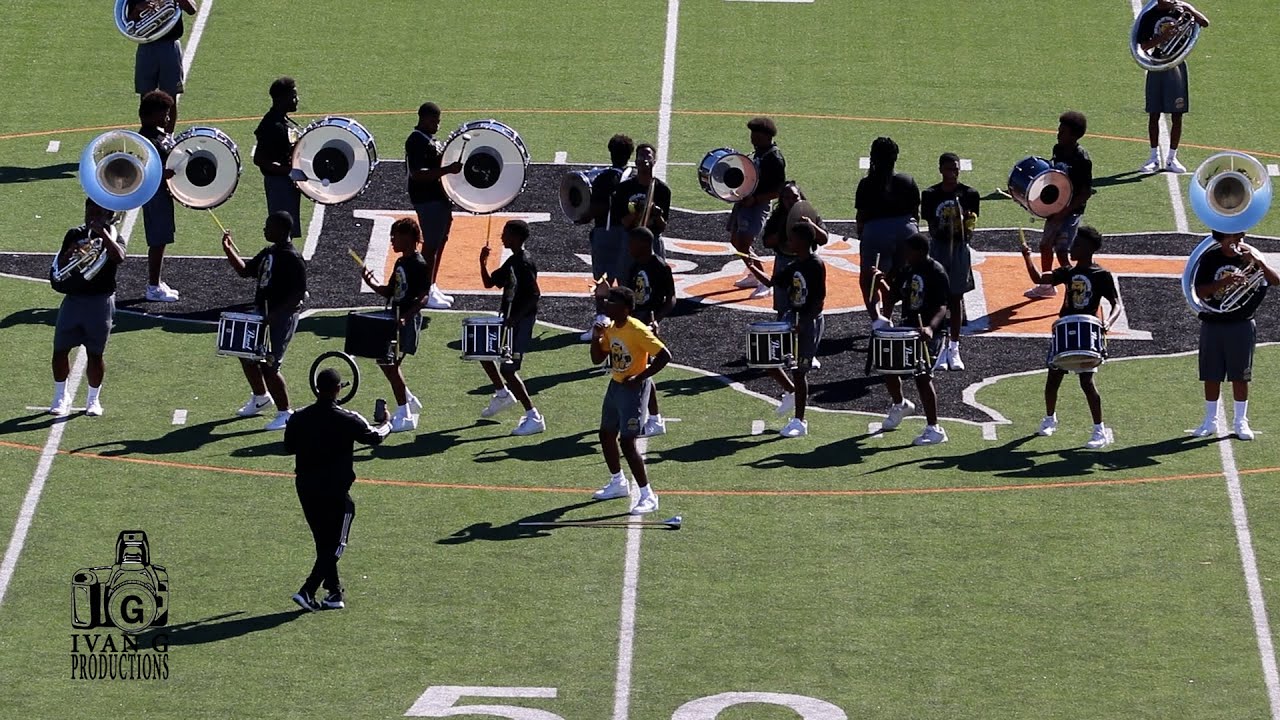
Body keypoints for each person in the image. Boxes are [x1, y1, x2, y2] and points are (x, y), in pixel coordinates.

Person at [283, 368, 391, 611]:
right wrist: (387, 422)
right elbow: (375, 437)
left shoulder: (299, 417)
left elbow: (288, 447)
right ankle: (308, 590)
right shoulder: (347, 418)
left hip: (306, 487)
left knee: (323, 541)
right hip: (334, 490)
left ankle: (334, 592)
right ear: (338, 389)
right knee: (336, 544)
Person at [1020, 225, 1122, 449]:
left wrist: (1107, 323)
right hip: (1066, 328)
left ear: (1088, 248)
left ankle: (1099, 430)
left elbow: (1117, 304)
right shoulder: (1068, 271)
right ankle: (1050, 419)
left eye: (1077, 244)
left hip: (1086, 331)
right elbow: (1039, 279)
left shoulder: (1101, 274)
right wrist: (1027, 257)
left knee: (1087, 382)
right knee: (1053, 377)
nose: (1072, 247)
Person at [221, 211, 308, 430]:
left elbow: (299, 294)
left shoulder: (292, 258)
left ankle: (285, 411)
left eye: (269, 226)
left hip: (281, 317)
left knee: (270, 365)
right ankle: (260, 396)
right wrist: (228, 250)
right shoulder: (270, 252)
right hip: (264, 313)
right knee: (246, 353)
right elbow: (245, 271)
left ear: (281, 229)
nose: (264, 229)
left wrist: (275, 315)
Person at [1190, 230, 1279, 440]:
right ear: (1223, 238)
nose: (1239, 241)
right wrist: (1226, 282)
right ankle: (1210, 421)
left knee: (1240, 376)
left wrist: (1259, 263)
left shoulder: (1251, 256)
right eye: (1234, 237)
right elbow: (1200, 291)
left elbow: (1275, 280)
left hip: (1242, 323)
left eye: (1240, 236)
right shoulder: (1211, 258)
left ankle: (1241, 422)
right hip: (1213, 321)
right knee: (1211, 374)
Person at [590, 287, 672, 514]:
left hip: (633, 390)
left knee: (627, 442)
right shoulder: (611, 329)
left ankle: (648, 495)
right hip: (616, 385)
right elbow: (597, 359)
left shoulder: (636, 329)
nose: (607, 303)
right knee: (606, 433)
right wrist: (596, 338)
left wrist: (640, 377)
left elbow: (664, 355)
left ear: (625, 307)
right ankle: (618, 482)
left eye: (612, 301)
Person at [745, 223, 826, 438]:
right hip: (793, 318)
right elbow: (774, 283)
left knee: (800, 372)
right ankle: (791, 391)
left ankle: (800, 421)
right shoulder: (793, 265)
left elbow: (818, 299)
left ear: (803, 241)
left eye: (792, 238)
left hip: (808, 322)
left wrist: (804, 322)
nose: (788, 242)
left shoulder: (816, 264)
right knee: (768, 359)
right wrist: (752, 267)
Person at [867, 232, 950, 446]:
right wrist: (880, 282)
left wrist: (931, 328)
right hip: (907, 328)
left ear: (920, 251)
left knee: (922, 377)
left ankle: (934, 428)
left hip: (929, 331)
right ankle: (900, 403)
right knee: (888, 366)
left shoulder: (936, 271)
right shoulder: (908, 269)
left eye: (909, 251)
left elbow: (943, 305)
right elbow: (894, 295)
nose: (905, 255)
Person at [49, 199, 126, 418]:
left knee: (95, 354)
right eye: (89, 209)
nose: (91, 214)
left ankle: (93, 399)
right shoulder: (74, 234)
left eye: (97, 211)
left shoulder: (113, 235)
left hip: (100, 302)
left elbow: (119, 257)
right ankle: (60, 396)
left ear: (106, 214)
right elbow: (61, 266)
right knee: (60, 350)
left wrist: (103, 234)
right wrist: (69, 253)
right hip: (74, 299)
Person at [359, 217, 430, 433]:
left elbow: (424, 297)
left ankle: (405, 413)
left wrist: (406, 317)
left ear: (409, 237)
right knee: (385, 362)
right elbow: (390, 291)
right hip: (394, 317)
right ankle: (408, 399)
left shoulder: (418, 264)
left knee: (390, 364)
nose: (392, 241)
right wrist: (370, 281)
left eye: (395, 236)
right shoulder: (400, 262)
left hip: (404, 320)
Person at [478, 219, 545, 436]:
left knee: (508, 369)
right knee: (483, 351)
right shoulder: (512, 261)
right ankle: (501, 393)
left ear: (516, 236)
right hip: (509, 319)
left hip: (519, 322)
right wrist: (483, 263)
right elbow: (490, 283)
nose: (502, 237)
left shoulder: (524, 262)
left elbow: (535, 294)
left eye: (505, 233)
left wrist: (515, 318)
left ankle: (534, 416)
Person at [920, 152, 981, 370]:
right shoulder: (929, 194)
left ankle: (954, 347)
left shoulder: (969, 194)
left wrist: (965, 223)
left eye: (955, 169)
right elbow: (933, 227)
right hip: (939, 249)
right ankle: (937, 345)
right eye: (948, 169)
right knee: (936, 298)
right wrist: (948, 226)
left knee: (955, 298)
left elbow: (971, 231)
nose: (952, 173)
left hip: (959, 250)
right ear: (941, 170)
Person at [1135, 0, 1209, 174]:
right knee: (1154, 112)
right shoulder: (1150, 16)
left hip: (1177, 64)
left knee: (1177, 113)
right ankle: (1153, 157)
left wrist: (1189, 8)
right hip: (1157, 63)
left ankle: (1172, 158)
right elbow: (1144, 45)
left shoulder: (1180, 11)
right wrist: (1163, 38)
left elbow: (1204, 23)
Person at [1025, 111, 1093, 298]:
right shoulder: (1058, 149)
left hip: (1071, 211)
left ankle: (1076, 286)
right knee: (1046, 246)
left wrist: (1065, 211)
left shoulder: (1082, 160)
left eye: (1062, 132)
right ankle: (1048, 286)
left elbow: (1085, 192)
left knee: (1062, 252)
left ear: (1074, 135)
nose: (1058, 134)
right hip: (1056, 208)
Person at [406, 102, 464, 309]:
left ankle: (431, 285)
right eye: (433, 121)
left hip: (438, 198)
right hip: (427, 199)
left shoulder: (429, 139)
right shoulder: (416, 141)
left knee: (439, 242)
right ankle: (423, 291)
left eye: (438, 122)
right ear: (421, 118)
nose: (436, 125)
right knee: (430, 245)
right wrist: (448, 169)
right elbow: (417, 173)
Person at [854, 136, 920, 313]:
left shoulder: (867, 183)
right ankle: (891, 313)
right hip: (907, 231)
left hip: (876, 231)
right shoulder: (907, 180)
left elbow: (861, 216)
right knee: (898, 278)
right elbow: (915, 213)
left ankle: (878, 320)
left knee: (869, 278)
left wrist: (863, 235)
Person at [578, 134, 633, 341]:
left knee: (603, 281)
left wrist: (582, 217)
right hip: (629, 235)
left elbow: (598, 206)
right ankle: (628, 325)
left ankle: (601, 324)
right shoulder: (633, 176)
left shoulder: (605, 178)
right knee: (626, 280)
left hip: (607, 233)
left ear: (611, 152)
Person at [625, 227, 676, 437]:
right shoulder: (634, 266)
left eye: (632, 242)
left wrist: (658, 319)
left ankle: (655, 418)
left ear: (644, 245)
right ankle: (646, 415)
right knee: (635, 370)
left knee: (643, 372)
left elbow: (671, 298)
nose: (628, 247)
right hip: (634, 322)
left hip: (648, 323)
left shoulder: (660, 267)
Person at [730, 117, 786, 295]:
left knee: (743, 243)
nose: (752, 137)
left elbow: (779, 190)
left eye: (756, 134)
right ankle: (755, 275)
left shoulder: (774, 159)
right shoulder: (759, 153)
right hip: (745, 202)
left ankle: (764, 281)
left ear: (766, 136)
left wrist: (755, 200)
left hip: (756, 205)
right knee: (735, 240)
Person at [127, 0, 197, 134]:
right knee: (145, 97)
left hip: (169, 45)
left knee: (170, 97)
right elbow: (129, 24)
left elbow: (192, 9)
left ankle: (168, 138)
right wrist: (138, 9)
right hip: (146, 44)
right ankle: (149, 136)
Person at [137, 90, 180, 303]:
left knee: (161, 240)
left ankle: (157, 281)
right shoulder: (146, 140)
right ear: (152, 114)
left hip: (162, 194)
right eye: (164, 114)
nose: (168, 118)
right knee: (158, 240)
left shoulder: (156, 135)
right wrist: (166, 174)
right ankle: (153, 286)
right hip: (155, 195)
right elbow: (148, 171)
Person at [254, 77, 303, 239]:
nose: (297, 100)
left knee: (289, 230)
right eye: (293, 96)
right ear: (282, 99)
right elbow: (260, 159)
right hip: (278, 184)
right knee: (282, 231)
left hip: (287, 182)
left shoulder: (283, 121)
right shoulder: (271, 125)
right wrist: (288, 171)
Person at [612, 143, 672, 261]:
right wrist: (639, 210)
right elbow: (624, 222)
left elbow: (662, 226)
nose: (644, 160)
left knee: (656, 275)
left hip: (653, 238)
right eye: (641, 156)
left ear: (654, 161)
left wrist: (656, 214)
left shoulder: (662, 190)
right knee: (627, 276)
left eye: (648, 156)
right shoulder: (624, 188)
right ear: (635, 161)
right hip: (630, 239)